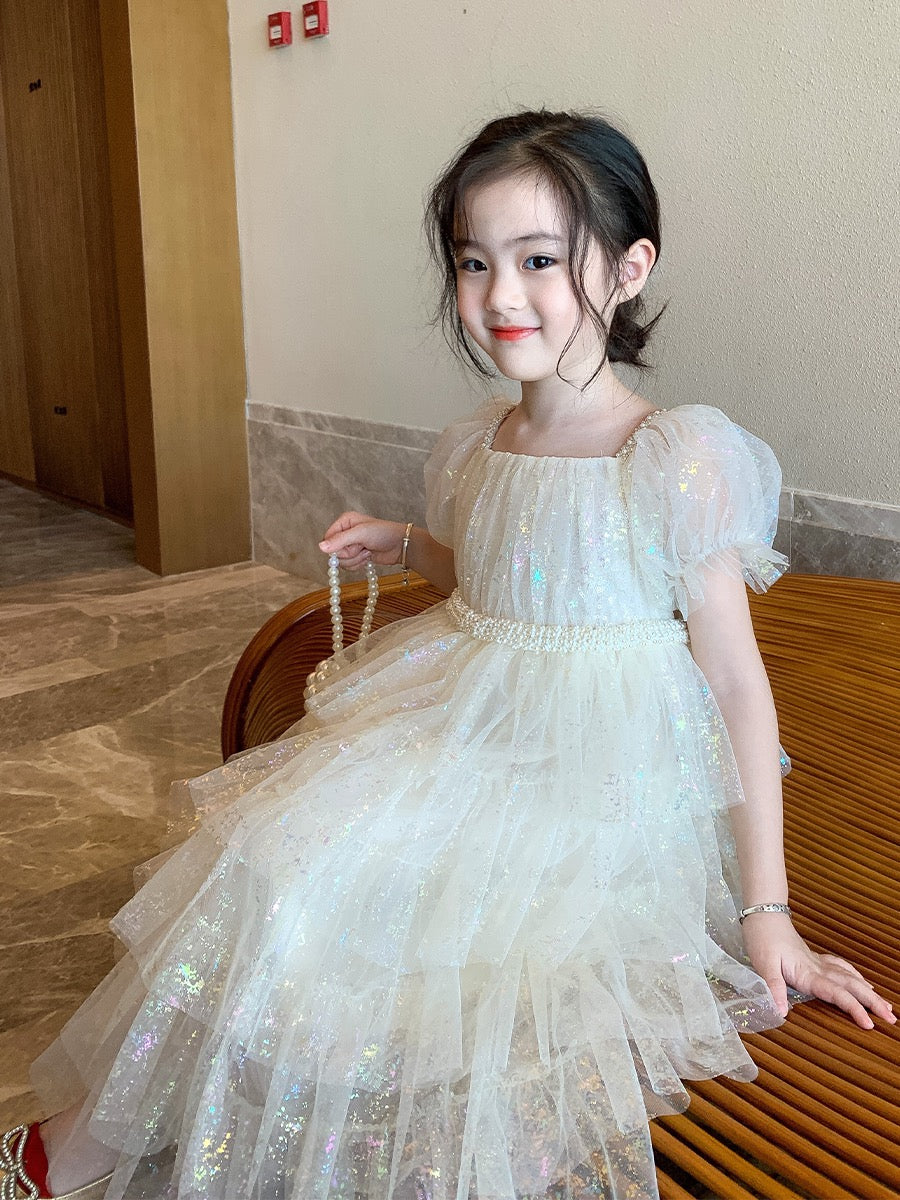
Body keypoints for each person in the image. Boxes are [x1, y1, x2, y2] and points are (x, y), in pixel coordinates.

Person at [3, 110, 894, 1200]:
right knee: (272, 855)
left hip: (596, 774)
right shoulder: (485, 438)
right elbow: (497, 571)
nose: (501, 295)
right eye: (475, 263)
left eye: (539, 261)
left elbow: (735, 682)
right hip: (470, 705)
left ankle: (125, 1149)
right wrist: (406, 543)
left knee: (382, 905)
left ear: (627, 269)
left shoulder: (670, 454)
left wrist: (767, 914)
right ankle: (93, 1141)